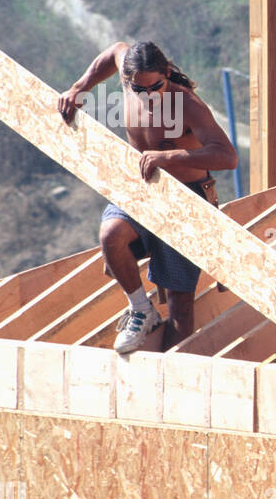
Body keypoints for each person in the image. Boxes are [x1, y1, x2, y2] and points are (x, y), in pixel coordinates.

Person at [57, 41, 238, 352]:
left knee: (179, 304)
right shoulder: (132, 81)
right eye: (140, 90)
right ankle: (141, 309)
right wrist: (79, 87)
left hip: (185, 200)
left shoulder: (187, 105)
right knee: (111, 235)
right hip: (142, 190)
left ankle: (167, 376)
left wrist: (171, 158)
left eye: (156, 86)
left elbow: (227, 157)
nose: (149, 95)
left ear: (166, 73)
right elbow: (114, 51)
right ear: (128, 81)